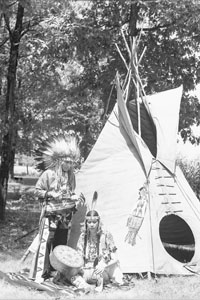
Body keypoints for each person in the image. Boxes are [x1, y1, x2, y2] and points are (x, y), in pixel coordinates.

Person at [29, 132, 84, 283]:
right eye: (66, 162)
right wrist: (51, 194)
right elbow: (37, 191)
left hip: (65, 216)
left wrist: (74, 198)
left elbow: (70, 192)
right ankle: (43, 272)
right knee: (47, 242)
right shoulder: (48, 174)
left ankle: (57, 273)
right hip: (50, 215)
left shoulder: (71, 176)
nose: (69, 165)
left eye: (71, 162)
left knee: (60, 243)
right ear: (59, 161)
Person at [69, 208, 124, 292]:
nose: (91, 225)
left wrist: (103, 265)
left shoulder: (105, 235)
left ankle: (96, 283)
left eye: (94, 222)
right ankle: (87, 285)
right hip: (87, 268)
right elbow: (79, 256)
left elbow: (115, 256)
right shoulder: (83, 236)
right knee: (71, 274)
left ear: (98, 223)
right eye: (89, 222)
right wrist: (79, 268)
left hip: (104, 266)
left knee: (117, 277)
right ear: (86, 223)